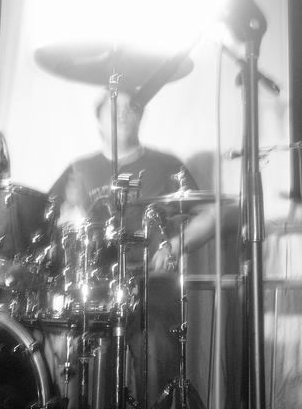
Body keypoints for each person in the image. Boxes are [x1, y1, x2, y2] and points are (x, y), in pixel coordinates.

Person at [47, 87, 221, 408]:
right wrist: (67, 217)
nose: (124, 113)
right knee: (79, 370)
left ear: (141, 117)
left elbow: (210, 216)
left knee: (155, 365)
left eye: (132, 108)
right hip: (95, 289)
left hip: (152, 286)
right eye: (115, 108)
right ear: (99, 120)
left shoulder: (166, 165)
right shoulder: (79, 169)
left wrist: (174, 246)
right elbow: (48, 221)